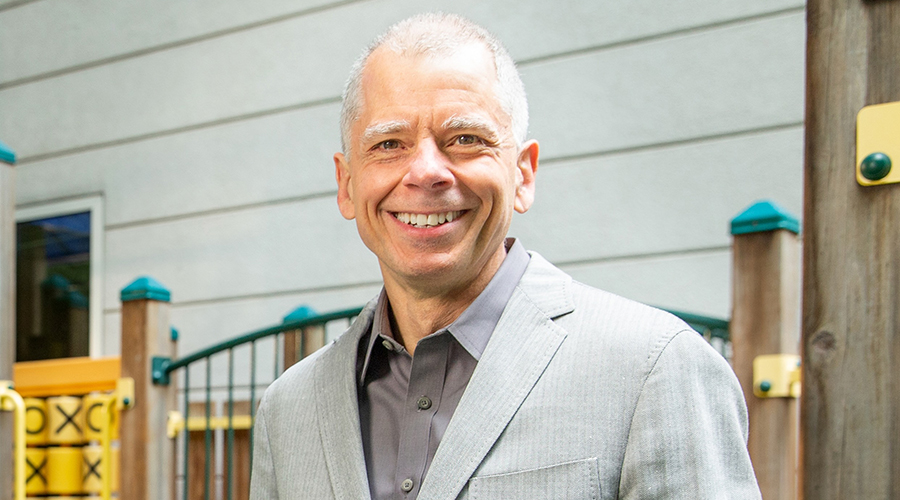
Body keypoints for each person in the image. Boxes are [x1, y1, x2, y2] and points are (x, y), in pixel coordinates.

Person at [251, 12, 760, 500]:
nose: (426, 171)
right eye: (389, 144)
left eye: (465, 139)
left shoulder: (657, 368)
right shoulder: (288, 409)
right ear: (345, 184)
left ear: (523, 173)